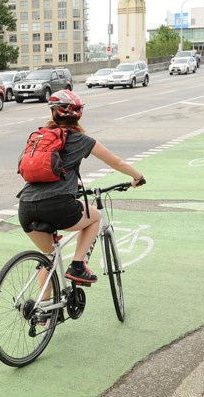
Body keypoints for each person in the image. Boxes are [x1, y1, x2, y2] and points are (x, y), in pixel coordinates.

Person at [17, 89, 145, 284]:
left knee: (49, 257)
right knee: (96, 217)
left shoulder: (40, 137)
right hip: (58, 206)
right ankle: (78, 266)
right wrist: (138, 177)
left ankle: (43, 309)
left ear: (53, 113)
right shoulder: (79, 139)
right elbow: (116, 162)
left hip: (26, 206)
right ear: (79, 114)